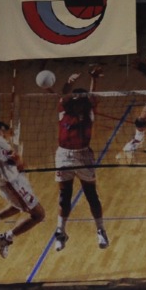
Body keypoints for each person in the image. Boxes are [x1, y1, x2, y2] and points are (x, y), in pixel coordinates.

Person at [52, 64, 110, 252]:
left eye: (80, 97)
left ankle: (100, 230)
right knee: (64, 197)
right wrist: (69, 83)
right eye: (74, 97)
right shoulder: (64, 111)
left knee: (91, 195)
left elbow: (92, 96)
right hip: (63, 156)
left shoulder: (89, 112)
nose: (76, 99)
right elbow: (64, 95)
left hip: (84, 155)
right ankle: (61, 232)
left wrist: (94, 79)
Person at [0, 119, 45, 259]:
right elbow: (16, 160)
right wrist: (19, 161)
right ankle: (6, 238)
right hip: (11, 182)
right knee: (39, 215)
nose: (6, 135)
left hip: (1, 183)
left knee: (17, 206)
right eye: (5, 132)